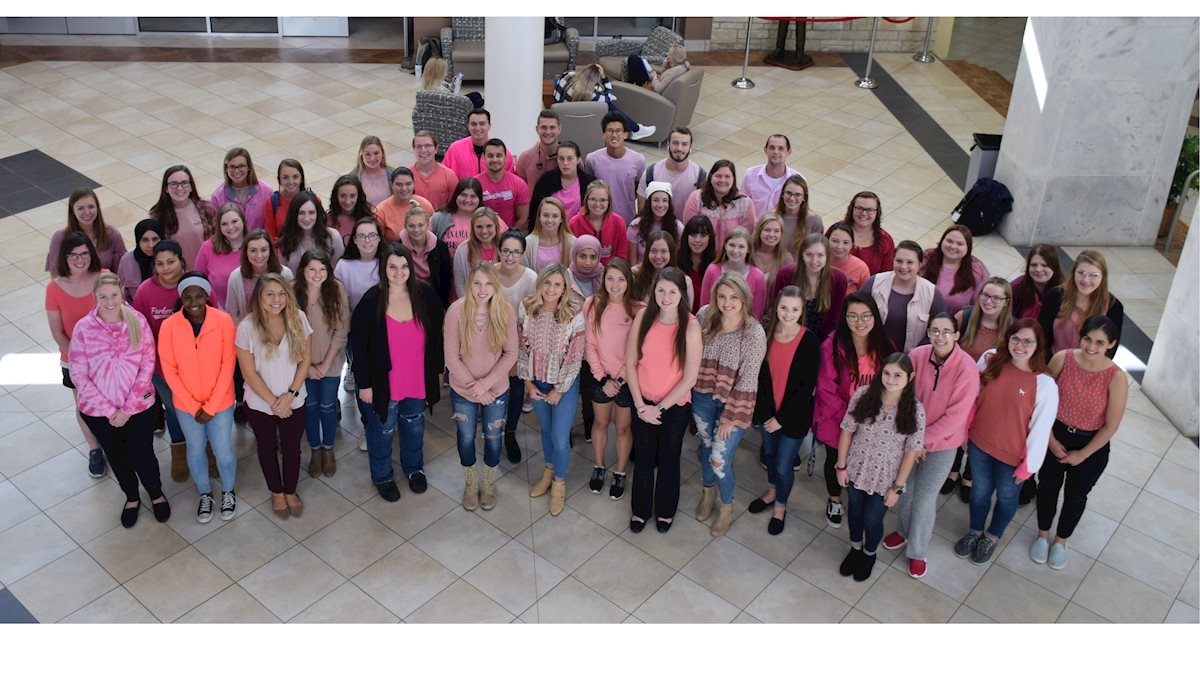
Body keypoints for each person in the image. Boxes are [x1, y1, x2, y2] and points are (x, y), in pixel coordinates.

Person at [881, 313, 978, 578]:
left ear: (957, 335)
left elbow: (955, 418)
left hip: (943, 445)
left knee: (924, 498)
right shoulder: (917, 355)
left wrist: (922, 441)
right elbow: (903, 393)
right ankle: (902, 531)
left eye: (947, 331)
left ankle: (917, 550)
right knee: (906, 489)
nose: (940, 337)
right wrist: (913, 438)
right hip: (911, 437)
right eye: (935, 330)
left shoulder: (967, 368)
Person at [69, 272, 169, 528]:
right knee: (117, 456)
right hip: (99, 413)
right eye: (103, 297)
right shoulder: (84, 328)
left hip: (138, 408)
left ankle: (155, 493)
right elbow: (78, 373)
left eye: (114, 295)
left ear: (122, 292)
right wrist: (109, 410)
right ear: (95, 297)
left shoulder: (137, 320)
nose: (110, 301)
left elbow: (147, 364)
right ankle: (132, 497)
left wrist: (126, 409)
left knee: (143, 454)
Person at [955, 319, 1058, 566]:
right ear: (1007, 338)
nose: (1020, 346)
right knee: (979, 492)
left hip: (1012, 457)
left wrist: (1029, 466)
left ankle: (992, 536)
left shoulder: (1044, 384)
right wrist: (964, 434)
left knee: (1006, 497)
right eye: (1015, 339)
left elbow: (1041, 429)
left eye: (1027, 341)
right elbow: (973, 399)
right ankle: (975, 531)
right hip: (980, 444)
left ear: (1038, 346)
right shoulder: (990, 360)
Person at [351, 242, 445, 502]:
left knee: (414, 425)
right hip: (383, 383)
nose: (399, 271)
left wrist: (437, 372)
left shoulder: (425, 296)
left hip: (416, 379)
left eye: (404, 266)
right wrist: (364, 385)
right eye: (392, 267)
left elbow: (437, 337)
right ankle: (382, 475)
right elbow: (358, 347)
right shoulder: (371, 301)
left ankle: (414, 468)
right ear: (383, 269)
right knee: (382, 430)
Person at [1032, 316, 1127, 570]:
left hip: (1091, 444)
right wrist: (1050, 440)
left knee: (1076, 496)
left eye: (1099, 342)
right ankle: (1043, 534)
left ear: (1111, 344)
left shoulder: (1116, 378)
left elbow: (1111, 425)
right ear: (1080, 337)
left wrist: (1082, 454)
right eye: (1087, 339)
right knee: (1047, 487)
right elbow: (1042, 399)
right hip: (1056, 434)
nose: (1091, 347)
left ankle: (1061, 540)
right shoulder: (1063, 358)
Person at [835, 353, 926, 582]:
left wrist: (897, 488)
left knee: (873, 519)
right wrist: (841, 465)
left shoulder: (915, 409)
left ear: (910, 377)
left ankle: (869, 554)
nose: (891, 379)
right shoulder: (864, 394)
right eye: (886, 373)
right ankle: (855, 548)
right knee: (854, 512)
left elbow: (911, 451)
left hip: (885, 478)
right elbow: (847, 430)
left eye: (898, 375)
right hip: (856, 468)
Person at [626, 267, 702, 533]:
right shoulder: (643, 318)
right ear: (653, 291)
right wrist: (640, 406)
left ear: (682, 294)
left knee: (669, 457)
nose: (666, 297)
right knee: (644, 456)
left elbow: (690, 377)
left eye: (672, 291)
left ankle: (666, 509)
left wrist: (660, 407)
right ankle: (641, 509)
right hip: (642, 403)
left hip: (674, 406)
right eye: (661, 290)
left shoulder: (691, 326)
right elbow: (630, 362)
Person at [158, 272, 239, 523]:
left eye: (199, 295)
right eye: (187, 296)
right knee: (195, 451)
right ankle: (205, 493)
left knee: (223, 451)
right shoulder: (169, 326)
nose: (193, 301)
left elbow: (228, 365)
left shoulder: (224, 321)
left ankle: (228, 490)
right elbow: (169, 370)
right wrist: (194, 407)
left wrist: (212, 406)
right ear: (181, 297)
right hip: (186, 406)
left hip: (221, 404)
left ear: (207, 296)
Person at [692, 274, 766, 538]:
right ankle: (707, 491)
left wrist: (728, 418)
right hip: (701, 396)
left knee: (719, 458)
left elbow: (748, 379)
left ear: (744, 298)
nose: (727, 302)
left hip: (733, 406)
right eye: (722, 296)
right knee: (705, 447)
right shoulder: (704, 316)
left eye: (734, 297)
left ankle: (726, 506)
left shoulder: (754, 332)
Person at [236, 273, 313, 519]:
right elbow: (248, 372)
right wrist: (274, 403)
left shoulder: (298, 318)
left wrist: (290, 396)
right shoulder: (247, 327)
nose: (276, 299)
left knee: (292, 448)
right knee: (266, 447)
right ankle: (276, 491)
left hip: (294, 400)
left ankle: (290, 489)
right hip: (260, 403)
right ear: (259, 297)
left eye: (281, 294)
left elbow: (305, 361)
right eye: (269, 294)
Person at [813, 293, 892, 528]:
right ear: (844, 319)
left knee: (862, 460)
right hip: (837, 418)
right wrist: (852, 421)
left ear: (875, 317)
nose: (860, 322)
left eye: (866, 315)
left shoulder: (886, 346)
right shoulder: (831, 346)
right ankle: (835, 498)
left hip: (873, 422)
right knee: (836, 460)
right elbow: (827, 390)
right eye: (853, 316)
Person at [445, 263, 518, 512]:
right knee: (466, 437)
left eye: (488, 284)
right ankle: (470, 482)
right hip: (463, 391)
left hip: (496, 391)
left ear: (495, 286)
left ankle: (488, 483)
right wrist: (474, 389)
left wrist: (486, 386)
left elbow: (511, 353)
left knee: (493, 437)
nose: (482, 289)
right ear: (469, 284)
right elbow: (452, 358)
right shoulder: (456, 312)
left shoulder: (504, 311)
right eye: (477, 283)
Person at [749, 286, 820, 535]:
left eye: (794, 309)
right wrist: (767, 415)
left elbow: (805, 387)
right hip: (768, 413)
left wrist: (781, 419)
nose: (788, 314)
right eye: (783, 308)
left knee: (783, 465)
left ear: (801, 312)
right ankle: (771, 492)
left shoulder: (809, 341)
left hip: (793, 417)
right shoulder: (766, 333)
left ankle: (780, 506)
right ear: (776, 307)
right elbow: (760, 378)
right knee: (769, 455)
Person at [519, 263, 586, 517]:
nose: (551, 289)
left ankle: (559, 481)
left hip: (563, 385)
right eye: (547, 283)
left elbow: (575, 355)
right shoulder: (527, 307)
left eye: (558, 284)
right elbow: (522, 346)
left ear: (565, 288)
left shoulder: (573, 312)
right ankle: (548, 471)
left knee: (559, 436)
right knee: (545, 431)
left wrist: (560, 389)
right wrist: (528, 382)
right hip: (536, 381)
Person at [944, 277, 1014, 501]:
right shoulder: (964, 318)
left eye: (996, 297)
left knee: (978, 434)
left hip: (989, 393)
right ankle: (953, 470)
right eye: (985, 295)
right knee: (955, 428)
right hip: (959, 387)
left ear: (1006, 302)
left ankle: (969, 475)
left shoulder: (1012, 329)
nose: (989, 301)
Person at [46, 234, 105, 478]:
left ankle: (116, 442)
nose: (79, 260)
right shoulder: (54, 288)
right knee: (84, 404)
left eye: (84, 254)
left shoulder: (103, 277)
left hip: (107, 357)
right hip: (74, 361)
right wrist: (81, 362)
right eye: (73, 255)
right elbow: (58, 333)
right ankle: (94, 449)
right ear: (65, 258)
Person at [133, 240, 194, 479]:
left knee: (198, 407)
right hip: (162, 369)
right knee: (174, 409)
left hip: (196, 366)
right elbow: (139, 330)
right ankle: (179, 449)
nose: (166, 268)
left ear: (181, 260)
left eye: (171, 261)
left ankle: (206, 448)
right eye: (160, 264)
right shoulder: (145, 291)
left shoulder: (194, 284)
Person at [583, 259, 643, 499]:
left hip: (627, 380)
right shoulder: (592, 305)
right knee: (600, 424)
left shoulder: (639, 309)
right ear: (603, 280)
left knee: (623, 427)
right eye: (610, 278)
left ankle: (620, 471)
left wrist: (621, 378)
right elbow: (589, 344)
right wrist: (602, 377)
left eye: (621, 279)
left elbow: (639, 349)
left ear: (628, 281)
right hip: (600, 378)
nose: (615, 284)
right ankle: (598, 467)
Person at [296, 250, 349, 478]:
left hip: (331, 362)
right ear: (303, 271)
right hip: (301, 365)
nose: (317, 275)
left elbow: (341, 330)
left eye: (322, 269)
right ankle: (315, 450)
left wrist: (326, 365)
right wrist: (306, 367)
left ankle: (328, 449)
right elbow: (289, 334)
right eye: (311, 269)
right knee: (310, 407)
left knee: (327, 406)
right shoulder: (292, 291)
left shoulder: (336, 289)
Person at [494, 229, 539, 462]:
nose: (510, 257)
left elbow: (534, 314)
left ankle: (510, 432)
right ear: (498, 251)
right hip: (492, 342)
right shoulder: (489, 274)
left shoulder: (531, 278)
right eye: (506, 251)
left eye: (516, 252)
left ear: (523, 254)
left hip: (520, 342)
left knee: (516, 389)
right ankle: (493, 430)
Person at [335, 217, 384, 429]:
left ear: (379, 238)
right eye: (362, 236)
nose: (367, 240)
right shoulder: (344, 266)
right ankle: (367, 424)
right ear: (354, 240)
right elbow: (340, 303)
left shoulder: (387, 261)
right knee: (362, 376)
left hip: (384, 330)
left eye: (372, 235)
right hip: (356, 330)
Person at [860, 241, 948, 353]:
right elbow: (855, 311)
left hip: (909, 360)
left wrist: (917, 353)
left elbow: (941, 329)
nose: (903, 267)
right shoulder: (874, 283)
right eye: (899, 261)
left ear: (919, 265)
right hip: (870, 352)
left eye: (910, 262)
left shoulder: (932, 294)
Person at [1038, 250, 1124, 358]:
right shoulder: (1055, 296)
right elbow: (1041, 335)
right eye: (1081, 273)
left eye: (1094, 275)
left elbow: (1110, 349)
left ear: (1103, 277)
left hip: (1090, 367)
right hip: (1052, 362)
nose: (1086, 280)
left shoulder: (1114, 307)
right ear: (1073, 272)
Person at [772, 233, 849, 341]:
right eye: (809, 254)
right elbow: (777, 309)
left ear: (827, 256)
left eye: (820, 255)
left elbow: (834, 320)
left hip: (821, 338)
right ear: (802, 255)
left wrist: (818, 346)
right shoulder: (785, 275)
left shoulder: (839, 280)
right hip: (788, 334)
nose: (814, 261)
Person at [553, 63, 656, 141]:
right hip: (579, 119)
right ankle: (636, 129)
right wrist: (604, 78)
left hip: (561, 113)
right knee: (608, 105)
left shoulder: (568, 74)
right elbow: (609, 97)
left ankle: (636, 129)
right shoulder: (591, 94)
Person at [46, 188, 127, 277]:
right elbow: (56, 274)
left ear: (97, 207)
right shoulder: (60, 237)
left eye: (91, 207)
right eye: (80, 208)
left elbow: (121, 273)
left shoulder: (112, 235)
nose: (87, 212)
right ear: (72, 210)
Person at [585, 112, 648, 224]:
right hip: (599, 221)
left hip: (627, 221)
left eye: (618, 131)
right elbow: (588, 190)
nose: (614, 135)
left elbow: (640, 190)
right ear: (603, 134)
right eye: (610, 131)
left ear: (625, 135)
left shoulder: (638, 160)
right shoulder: (592, 159)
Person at [150, 165, 216, 267]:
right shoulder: (158, 216)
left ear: (191, 187)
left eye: (184, 183)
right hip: (176, 274)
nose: (179, 188)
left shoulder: (207, 208)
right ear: (166, 188)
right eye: (174, 184)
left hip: (207, 269)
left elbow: (219, 240)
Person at [224, 230, 295, 324]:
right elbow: (232, 313)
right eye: (253, 250)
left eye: (264, 250)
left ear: (270, 250)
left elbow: (292, 307)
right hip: (249, 333)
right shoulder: (236, 277)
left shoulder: (285, 274)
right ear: (246, 252)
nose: (259, 255)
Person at [682, 159, 757, 245]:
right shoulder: (696, 198)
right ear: (710, 177)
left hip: (732, 255)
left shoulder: (745, 203)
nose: (722, 180)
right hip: (702, 253)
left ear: (733, 179)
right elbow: (689, 230)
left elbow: (746, 236)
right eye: (718, 176)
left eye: (727, 176)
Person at [699, 227, 768, 319]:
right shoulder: (712, 270)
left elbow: (757, 314)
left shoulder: (758, 276)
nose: (735, 251)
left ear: (748, 249)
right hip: (714, 326)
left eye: (741, 247)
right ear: (725, 245)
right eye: (732, 245)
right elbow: (704, 306)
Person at [635, 126, 706, 217]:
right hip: (656, 230)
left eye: (684, 144)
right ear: (668, 144)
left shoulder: (700, 176)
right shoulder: (651, 173)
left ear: (690, 146)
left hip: (686, 230)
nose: (679, 148)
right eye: (675, 143)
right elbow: (642, 212)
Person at [921, 225, 990, 315]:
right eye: (949, 241)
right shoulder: (927, 257)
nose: (953, 246)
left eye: (960, 244)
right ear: (942, 241)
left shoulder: (977, 269)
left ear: (968, 248)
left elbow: (979, 306)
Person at [194, 204, 247, 311]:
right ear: (219, 227)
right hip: (218, 312)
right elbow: (198, 282)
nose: (230, 227)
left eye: (234, 221)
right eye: (224, 224)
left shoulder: (254, 245)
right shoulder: (208, 247)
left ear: (243, 221)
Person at [277, 192, 344, 275]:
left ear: (318, 213)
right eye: (301, 213)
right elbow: (284, 276)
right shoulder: (285, 241)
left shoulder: (333, 237)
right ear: (294, 214)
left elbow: (338, 273)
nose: (307, 218)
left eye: (311, 212)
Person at [398, 203, 452, 306]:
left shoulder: (440, 247)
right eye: (411, 226)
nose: (416, 230)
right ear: (405, 226)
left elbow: (445, 280)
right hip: (406, 299)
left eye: (420, 225)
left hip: (433, 297)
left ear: (428, 224)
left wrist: (442, 305)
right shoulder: (398, 247)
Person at [828, 192, 894, 275]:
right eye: (859, 208)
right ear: (852, 209)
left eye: (870, 210)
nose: (863, 213)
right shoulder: (836, 231)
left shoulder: (885, 241)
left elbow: (886, 275)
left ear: (877, 212)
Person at [209, 147, 273, 233]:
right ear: (226, 169)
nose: (236, 171)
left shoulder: (267, 192)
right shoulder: (217, 197)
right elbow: (216, 230)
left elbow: (271, 226)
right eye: (232, 167)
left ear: (249, 167)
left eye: (241, 166)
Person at [567, 179, 629, 266]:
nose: (597, 204)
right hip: (582, 274)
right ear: (586, 200)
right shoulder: (574, 224)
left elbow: (621, 256)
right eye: (593, 199)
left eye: (603, 200)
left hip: (609, 275)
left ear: (609, 202)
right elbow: (571, 257)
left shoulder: (619, 223)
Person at [442, 108, 515, 181]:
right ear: (468, 126)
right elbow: (443, 176)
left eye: (482, 124)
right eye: (473, 124)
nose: (478, 128)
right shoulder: (455, 149)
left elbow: (510, 182)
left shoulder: (501, 152)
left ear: (489, 126)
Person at [530, 141, 595, 221]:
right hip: (551, 230)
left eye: (570, 158)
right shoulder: (546, 181)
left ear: (578, 159)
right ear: (557, 160)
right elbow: (535, 212)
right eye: (561, 158)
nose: (565, 163)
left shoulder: (589, 183)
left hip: (579, 231)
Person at [742, 134, 802, 220]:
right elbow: (742, 206)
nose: (776, 152)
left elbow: (801, 211)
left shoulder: (798, 180)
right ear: (765, 150)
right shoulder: (750, 175)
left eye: (780, 148)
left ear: (788, 152)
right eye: (772, 147)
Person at [476, 138, 531, 231]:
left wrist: (508, 237)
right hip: (482, 237)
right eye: (490, 156)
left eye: (498, 155)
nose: (494, 159)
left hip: (510, 238)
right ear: (484, 158)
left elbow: (523, 219)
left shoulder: (519, 184)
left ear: (505, 158)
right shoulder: (475, 183)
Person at [627, 181, 683, 264]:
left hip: (668, 275)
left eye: (664, 200)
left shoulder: (678, 227)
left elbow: (677, 261)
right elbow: (632, 263)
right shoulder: (635, 226)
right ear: (649, 202)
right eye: (656, 200)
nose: (660, 205)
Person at [374, 167, 436, 243]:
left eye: (408, 184)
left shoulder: (425, 205)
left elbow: (433, 233)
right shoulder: (381, 211)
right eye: (399, 184)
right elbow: (379, 241)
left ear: (414, 184)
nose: (404, 188)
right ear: (391, 185)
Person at [632, 231, 694, 306]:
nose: (658, 256)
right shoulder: (635, 274)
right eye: (654, 251)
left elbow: (686, 313)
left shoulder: (685, 281)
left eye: (663, 251)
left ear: (671, 253)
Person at [432, 177, 484, 261]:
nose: (467, 200)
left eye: (473, 196)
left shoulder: (488, 219)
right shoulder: (438, 218)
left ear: (479, 199)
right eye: (464, 195)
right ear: (456, 196)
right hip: (445, 272)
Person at [453, 206, 501, 297]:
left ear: (496, 226)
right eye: (479, 227)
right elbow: (460, 284)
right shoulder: (463, 250)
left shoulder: (504, 247)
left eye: (489, 226)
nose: (484, 231)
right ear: (473, 228)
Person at [771, 174, 823, 254]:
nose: (792, 198)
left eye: (797, 195)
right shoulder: (771, 216)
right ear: (782, 194)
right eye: (788, 193)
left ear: (804, 198)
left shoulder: (814, 220)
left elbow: (819, 250)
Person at [262, 159, 312, 241]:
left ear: (301, 179)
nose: (290, 182)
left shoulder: (313, 200)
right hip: (284, 251)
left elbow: (319, 230)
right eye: (285, 177)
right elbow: (272, 236)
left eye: (295, 177)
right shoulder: (271, 202)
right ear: (279, 180)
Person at [409, 131, 460, 211]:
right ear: (414, 149)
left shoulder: (449, 176)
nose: (423, 150)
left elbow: (454, 206)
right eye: (419, 146)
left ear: (436, 149)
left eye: (427, 146)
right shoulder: (407, 175)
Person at [1011, 244, 1063, 320]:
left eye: (1044, 265)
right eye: (1034, 265)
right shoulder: (1016, 287)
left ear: (1054, 267)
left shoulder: (1064, 291)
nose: (1038, 269)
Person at [524, 197, 576, 272]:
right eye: (545, 215)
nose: (550, 220)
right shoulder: (528, 242)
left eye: (555, 216)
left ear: (561, 219)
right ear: (539, 217)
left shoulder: (572, 242)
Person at [677, 215, 717, 311]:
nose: (697, 240)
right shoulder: (676, 261)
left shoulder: (716, 265)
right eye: (693, 235)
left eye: (703, 235)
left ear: (710, 238)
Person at [515, 110, 561, 192]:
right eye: (544, 127)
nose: (548, 132)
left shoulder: (571, 159)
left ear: (559, 129)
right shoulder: (524, 159)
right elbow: (519, 193)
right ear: (537, 129)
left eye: (552, 127)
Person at [117, 219, 162, 302]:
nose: (151, 245)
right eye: (145, 240)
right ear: (138, 241)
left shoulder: (170, 259)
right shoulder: (127, 261)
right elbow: (122, 295)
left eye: (155, 239)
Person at [750, 213, 794, 292]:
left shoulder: (786, 260)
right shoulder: (748, 253)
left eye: (776, 231)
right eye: (767, 230)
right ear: (760, 231)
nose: (771, 234)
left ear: (781, 234)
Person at [327, 174, 375, 246]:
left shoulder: (369, 218)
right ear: (336, 196)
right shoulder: (328, 221)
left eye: (352, 196)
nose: (348, 201)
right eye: (343, 196)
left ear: (358, 196)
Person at [419, 56, 484, 108]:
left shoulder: (433, 83)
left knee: (476, 95)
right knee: (478, 101)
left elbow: (449, 90)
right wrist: (457, 86)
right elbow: (455, 100)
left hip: (450, 102)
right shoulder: (440, 90)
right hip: (455, 107)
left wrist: (453, 84)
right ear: (440, 73)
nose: (446, 72)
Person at [349, 135, 394, 208]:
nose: (372, 158)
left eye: (376, 153)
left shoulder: (392, 174)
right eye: (367, 154)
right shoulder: (353, 177)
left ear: (382, 153)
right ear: (361, 155)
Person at [827, 222, 870, 294]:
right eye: (835, 241)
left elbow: (864, 297)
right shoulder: (817, 261)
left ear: (852, 245)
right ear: (827, 241)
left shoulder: (861, 268)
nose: (839, 247)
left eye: (845, 242)